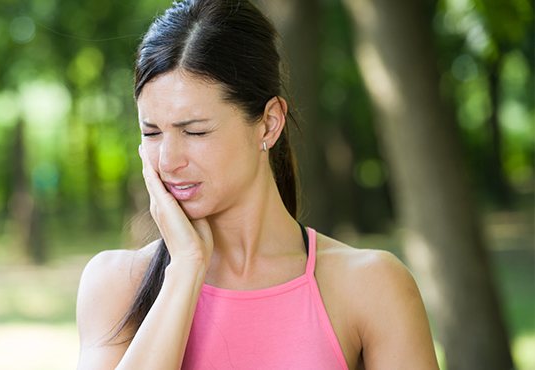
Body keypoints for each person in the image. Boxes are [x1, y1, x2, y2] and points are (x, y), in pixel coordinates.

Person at [76, 0, 439, 369]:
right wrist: (185, 269)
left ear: (268, 124)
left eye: (195, 131)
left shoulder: (370, 285)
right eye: (151, 132)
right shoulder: (116, 285)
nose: (168, 161)